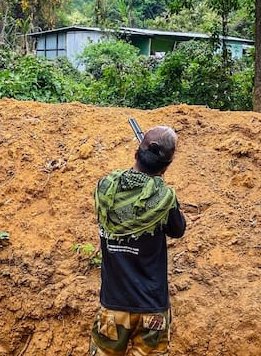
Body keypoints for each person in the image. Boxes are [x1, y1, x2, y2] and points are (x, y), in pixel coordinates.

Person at [89, 125, 187, 356]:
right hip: (152, 310)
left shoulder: (106, 189)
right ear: (165, 167)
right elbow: (178, 230)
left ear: (135, 154)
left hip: (113, 308)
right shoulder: (164, 200)